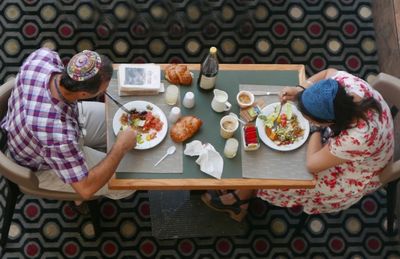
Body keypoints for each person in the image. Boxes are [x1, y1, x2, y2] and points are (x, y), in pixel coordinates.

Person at [201, 68, 394, 222]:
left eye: (307, 117)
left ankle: (245, 195)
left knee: (284, 174)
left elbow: (312, 164)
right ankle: (246, 189)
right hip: (359, 141)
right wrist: (303, 89)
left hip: (358, 170)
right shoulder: (343, 86)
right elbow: (328, 72)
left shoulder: (357, 137)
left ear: (327, 122)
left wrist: (315, 130)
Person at [1, 48, 137, 202]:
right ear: (84, 94)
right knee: (129, 180)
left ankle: (92, 156)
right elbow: (86, 189)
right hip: (41, 165)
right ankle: (79, 179)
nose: (104, 92)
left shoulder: (43, 57)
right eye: (103, 90)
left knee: (114, 119)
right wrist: (120, 148)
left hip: (44, 128)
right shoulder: (58, 136)